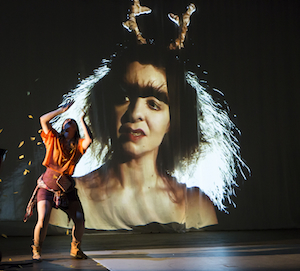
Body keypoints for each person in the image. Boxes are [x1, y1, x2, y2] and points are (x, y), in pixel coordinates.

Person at [49, 44, 232, 232]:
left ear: (173, 120)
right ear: (106, 109)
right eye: (124, 97)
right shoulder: (66, 197)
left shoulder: (195, 205)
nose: (135, 113)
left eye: (153, 104)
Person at [24, 102, 92, 260]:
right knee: (43, 218)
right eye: (66, 121)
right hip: (47, 187)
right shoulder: (53, 139)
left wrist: (82, 119)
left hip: (67, 190)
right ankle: (37, 249)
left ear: (75, 129)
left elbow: (89, 139)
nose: (69, 121)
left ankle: (76, 248)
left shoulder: (78, 146)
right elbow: (43, 120)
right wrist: (61, 110)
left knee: (80, 219)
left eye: (72, 122)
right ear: (63, 127)